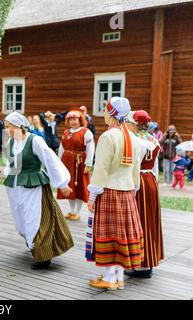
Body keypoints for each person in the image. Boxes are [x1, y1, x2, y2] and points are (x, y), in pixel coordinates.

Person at [3, 112, 74, 269]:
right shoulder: (10, 143)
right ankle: (33, 245)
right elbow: (10, 165)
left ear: (19, 126)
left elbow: (50, 161)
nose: (7, 130)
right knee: (21, 220)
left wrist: (62, 183)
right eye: (6, 127)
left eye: (9, 127)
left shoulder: (35, 141)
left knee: (35, 219)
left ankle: (43, 256)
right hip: (16, 188)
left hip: (33, 187)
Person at [87, 97, 143, 291]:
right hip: (127, 192)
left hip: (109, 191)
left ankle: (110, 279)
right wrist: (133, 189)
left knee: (110, 235)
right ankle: (118, 278)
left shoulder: (108, 136)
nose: (103, 112)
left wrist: (92, 196)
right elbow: (136, 170)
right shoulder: (134, 138)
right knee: (122, 236)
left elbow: (101, 170)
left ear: (111, 113)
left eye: (105, 109)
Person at [125, 110, 164, 278]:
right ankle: (148, 260)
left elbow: (133, 165)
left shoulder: (135, 140)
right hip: (151, 180)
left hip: (138, 180)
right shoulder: (153, 139)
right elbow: (154, 166)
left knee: (138, 220)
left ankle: (140, 264)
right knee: (149, 220)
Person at [57, 110, 95, 221]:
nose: (73, 122)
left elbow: (90, 148)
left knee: (78, 187)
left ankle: (77, 212)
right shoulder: (66, 132)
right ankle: (71, 210)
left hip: (80, 162)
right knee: (70, 186)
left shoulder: (86, 132)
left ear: (80, 120)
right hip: (67, 162)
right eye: (70, 119)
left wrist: (88, 164)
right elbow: (61, 148)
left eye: (75, 119)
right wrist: (59, 162)